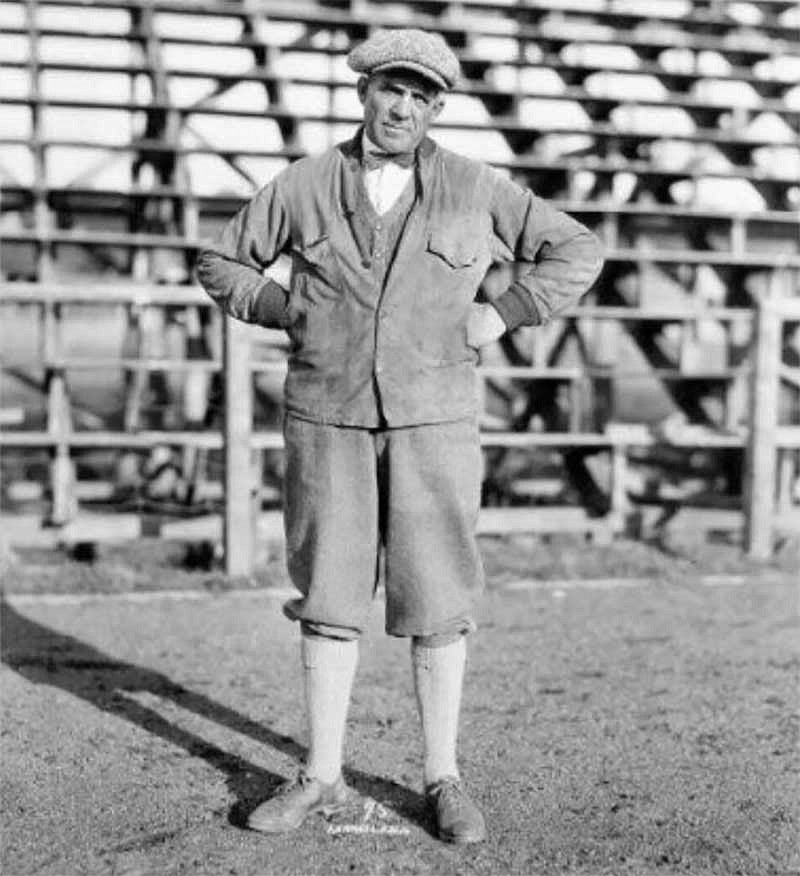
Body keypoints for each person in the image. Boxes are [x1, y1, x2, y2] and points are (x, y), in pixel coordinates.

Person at [196, 27, 603, 844]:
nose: (403, 109)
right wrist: (283, 310)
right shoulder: (305, 184)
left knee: (439, 601)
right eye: (392, 90)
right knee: (328, 599)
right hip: (327, 419)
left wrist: (502, 311)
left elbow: (575, 248)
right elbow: (221, 260)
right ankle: (318, 775)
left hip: (436, 423)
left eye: (422, 97)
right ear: (364, 92)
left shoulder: (475, 187)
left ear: (438, 108)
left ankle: (442, 777)